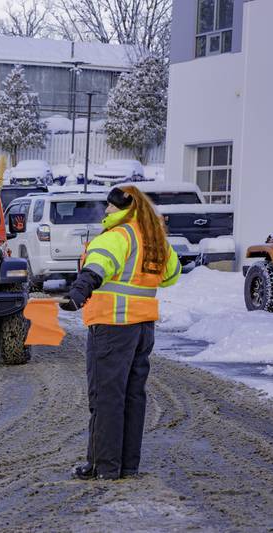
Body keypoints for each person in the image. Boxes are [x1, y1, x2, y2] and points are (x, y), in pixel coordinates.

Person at [60, 185, 182, 481]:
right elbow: (171, 274)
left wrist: (79, 290)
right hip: (142, 330)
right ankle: (127, 465)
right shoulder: (153, 238)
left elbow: (97, 267)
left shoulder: (118, 236)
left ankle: (105, 467)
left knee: (106, 397)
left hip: (113, 326)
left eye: (111, 206)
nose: (107, 211)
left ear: (124, 209)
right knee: (131, 396)